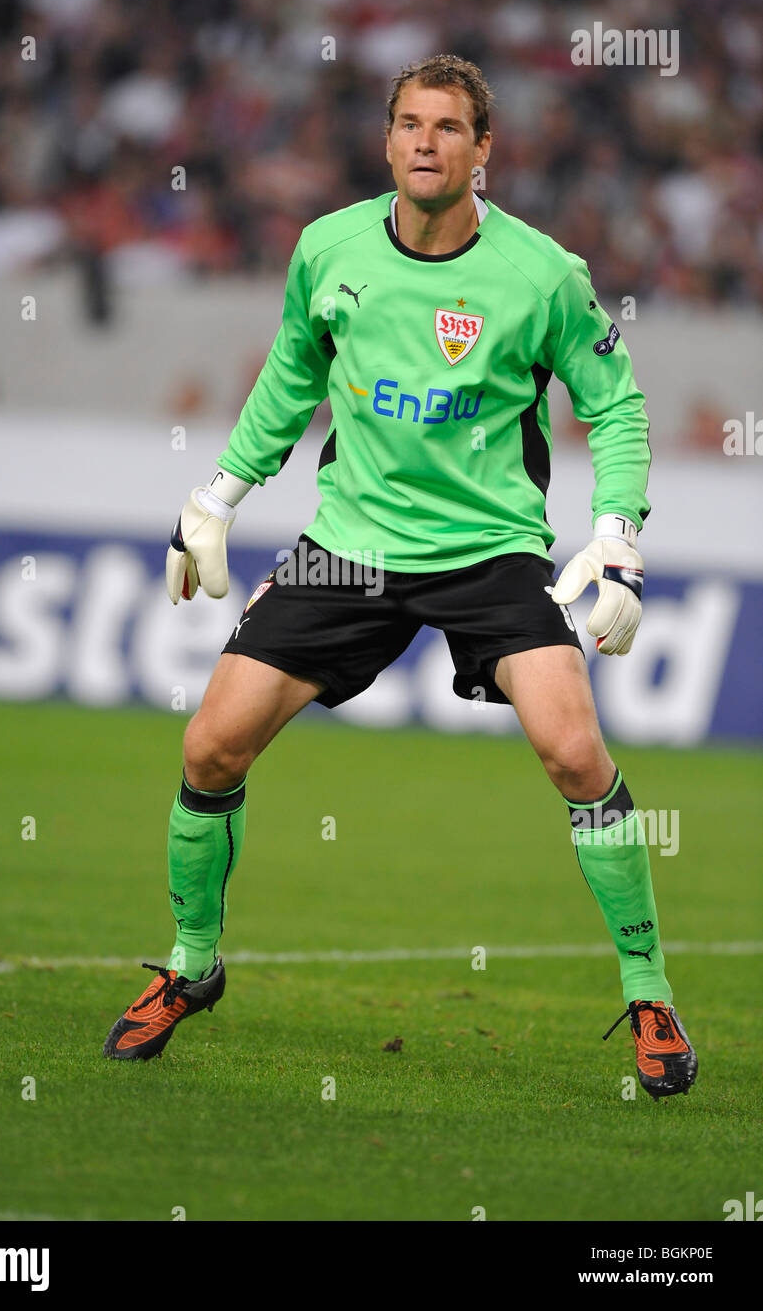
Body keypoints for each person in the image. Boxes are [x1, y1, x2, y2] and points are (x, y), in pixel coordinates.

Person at [103, 54, 697, 1101]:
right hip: (351, 545)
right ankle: (193, 965)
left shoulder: (540, 272)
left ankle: (647, 990)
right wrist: (218, 496)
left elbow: (617, 404)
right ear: (387, 142)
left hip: (492, 551)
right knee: (210, 743)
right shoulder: (326, 248)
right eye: (410, 124)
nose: (427, 141)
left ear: (483, 151)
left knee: (572, 750)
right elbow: (292, 377)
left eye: (449, 127)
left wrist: (614, 534)